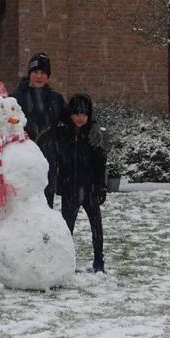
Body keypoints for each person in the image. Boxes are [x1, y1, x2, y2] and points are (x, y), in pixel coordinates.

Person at [56, 93, 107, 273]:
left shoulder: (93, 137)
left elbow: (100, 163)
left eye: (84, 114)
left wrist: (101, 186)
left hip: (90, 188)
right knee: (66, 228)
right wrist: (59, 183)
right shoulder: (63, 134)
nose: (80, 118)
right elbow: (57, 160)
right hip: (70, 188)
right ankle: (66, 262)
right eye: (76, 114)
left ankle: (99, 261)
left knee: (96, 226)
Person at [12, 52, 68, 207]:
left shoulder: (56, 99)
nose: (39, 76)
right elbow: (3, 122)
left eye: (43, 73)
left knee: (46, 201)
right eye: (35, 72)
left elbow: (73, 119)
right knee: (23, 201)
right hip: (24, 158)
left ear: (48, 76)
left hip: (49, 158)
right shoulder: (16, 98)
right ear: (30, 73)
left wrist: (93, 126)